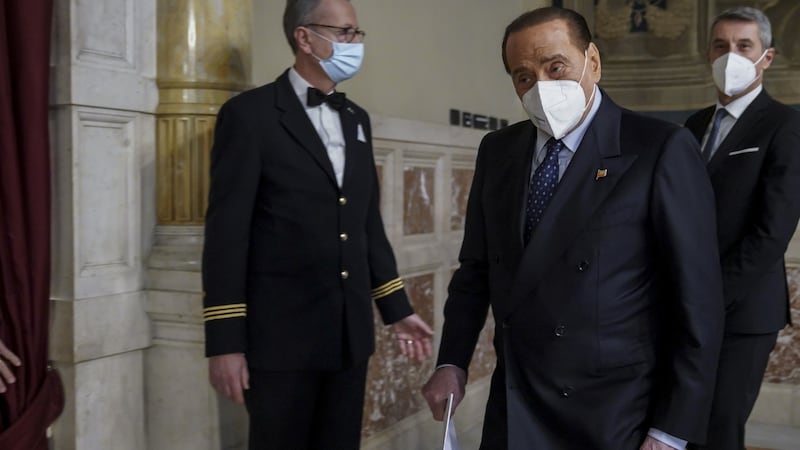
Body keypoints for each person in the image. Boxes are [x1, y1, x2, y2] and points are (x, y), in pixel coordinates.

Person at [422, 7, 724, 450]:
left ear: (593, 62)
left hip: (613, 410)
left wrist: (670, 429)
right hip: (517, 400)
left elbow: (698, 301)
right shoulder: (498, 151)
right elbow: (476, 271)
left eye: (555, 66)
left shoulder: (659, 148)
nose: (541, 86)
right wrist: (451, 361)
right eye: (523, 76)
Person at [201, 0, 433, 448]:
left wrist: (397, 309)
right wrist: (225, 342)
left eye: (357, 34)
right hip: (279, 340)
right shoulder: (249, 116)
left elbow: (366, 226)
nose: (355, 44)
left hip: (348, 335)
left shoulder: (356, 120)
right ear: (304, 37)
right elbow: (227, 236)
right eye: (345, 33)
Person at [683, 7, 800, 450]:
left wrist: (710, 295)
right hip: (686, 304)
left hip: (744, 310)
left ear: (765, 58)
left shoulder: (785, 125)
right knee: (682, 421)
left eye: (743, 46)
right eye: (721, 46)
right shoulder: (693, 126)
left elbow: (772, 233)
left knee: (720, 425)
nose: (729, 55)